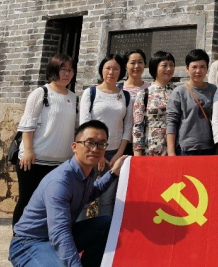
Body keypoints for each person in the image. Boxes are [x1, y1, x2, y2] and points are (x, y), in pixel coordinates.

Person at [9, 120, 127, 267]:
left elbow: (90, 193)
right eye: (89, 142)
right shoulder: (60, 182)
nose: (95, 149)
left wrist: (113, 173)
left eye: (101, 144)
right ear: (74, 146)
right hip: (30, 243)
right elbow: (59, 232)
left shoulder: (87, 172)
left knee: (108, 225)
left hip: (57, 235)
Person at [12, 53, 78, 226]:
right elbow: (27, 125)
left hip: (61, 163)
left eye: (70, 70)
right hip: (35, 160)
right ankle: (19, 237)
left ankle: (43, 238)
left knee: (52, 204)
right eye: (63, 69)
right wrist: (28, 151)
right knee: (27, 200)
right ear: (53, 70)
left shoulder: (73, 98)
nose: (67, 73)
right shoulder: (41, 93)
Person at [78, 54, 132, 217]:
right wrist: (98, 152)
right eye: (108, 68)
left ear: (121, 71)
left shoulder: (125, 96)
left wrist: (119, 154)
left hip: (114, 153)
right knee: (83, 198)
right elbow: (84, 125)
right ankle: (78, 231)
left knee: (108, 200)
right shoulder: (91, 93)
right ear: (101, 70)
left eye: (115, 69)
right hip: (90, 152)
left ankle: (104, 232)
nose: (111, 72)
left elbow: (127, 127)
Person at [166, 49, 216, 156]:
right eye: (194, 67)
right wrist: (171, 152)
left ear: (207, 68)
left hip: (210, 148)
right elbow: (171, 122)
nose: (198, 71)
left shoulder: (214, 90)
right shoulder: (179, 92)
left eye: (202, 67)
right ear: (187, 68)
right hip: (186, 149)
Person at [132, 50, 176, 156]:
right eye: (164, 65)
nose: (169, 69)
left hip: (176, 148)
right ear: (155, 67)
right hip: (151, 149)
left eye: (171, 65)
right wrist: (137, 154)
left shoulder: (178, 92)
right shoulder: (144, 94)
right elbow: (138, 126)